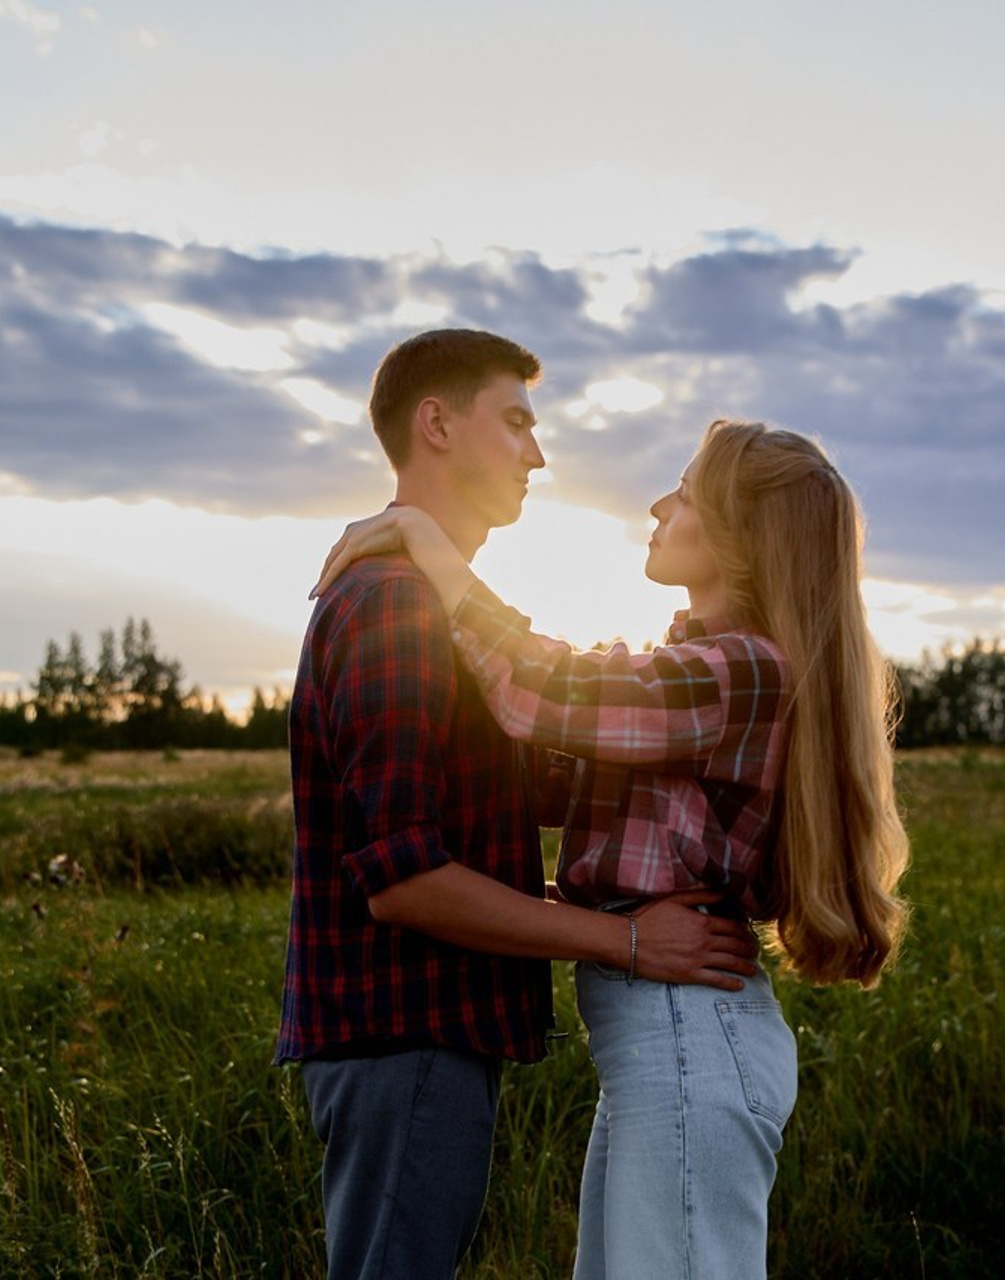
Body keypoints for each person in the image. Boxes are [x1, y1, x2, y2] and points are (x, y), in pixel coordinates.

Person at [313, 417, 912, 1279]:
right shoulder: (700, 667)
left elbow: (540, 689)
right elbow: (561, 774)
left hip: (686, 1034)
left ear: (739, 535)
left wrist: (424, 539)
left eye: (687, 494)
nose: (660, 506)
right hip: (661, 1039)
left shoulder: (744, 671)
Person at [274, 330, 759, 1280]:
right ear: (437, 424)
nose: (537, 455)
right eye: (516, 422)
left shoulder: (439, 608)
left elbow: (520, 782)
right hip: (405, 1034)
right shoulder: (394, 603)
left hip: (422, 1038)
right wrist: (626, 940)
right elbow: (404, 881)